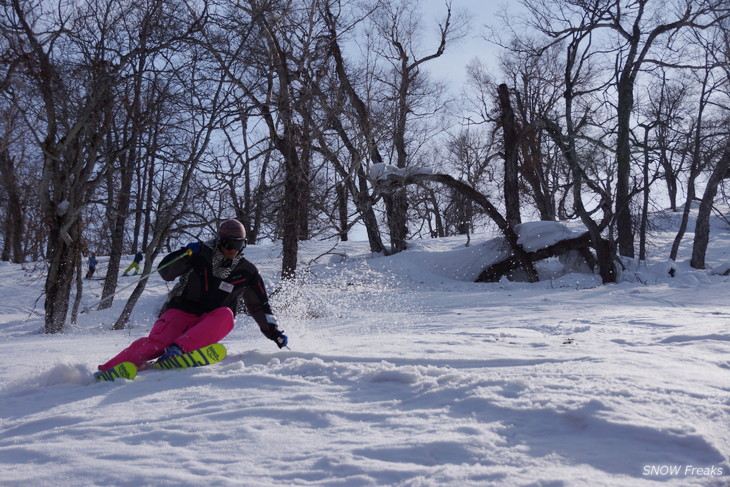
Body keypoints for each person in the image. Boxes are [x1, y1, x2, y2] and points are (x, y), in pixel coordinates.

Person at [96, 219, 287, 373]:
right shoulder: (200, 253)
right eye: (230, 244)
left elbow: (260, 306)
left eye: (240, 245)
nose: (233, 249)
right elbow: (165, 272)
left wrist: (274, 332)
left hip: (208, 324)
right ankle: (109, 369)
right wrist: (185, 254)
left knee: (227, 315)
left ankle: (178, 351)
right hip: (181, 311)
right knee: (158, 344)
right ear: (220, 241)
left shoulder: (247, 271)